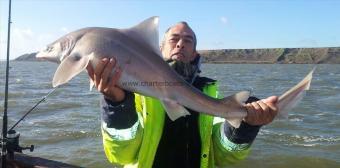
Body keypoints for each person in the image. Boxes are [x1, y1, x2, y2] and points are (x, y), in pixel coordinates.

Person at [87, 22, 278, 168]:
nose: (180, 44)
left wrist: (245, 128)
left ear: (194, 53)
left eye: (187, 40)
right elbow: (121, 155)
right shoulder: (131, 91)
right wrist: (117, 104)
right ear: (159, 50)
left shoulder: (209, 91)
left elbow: (225, 156)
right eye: (174, 39)